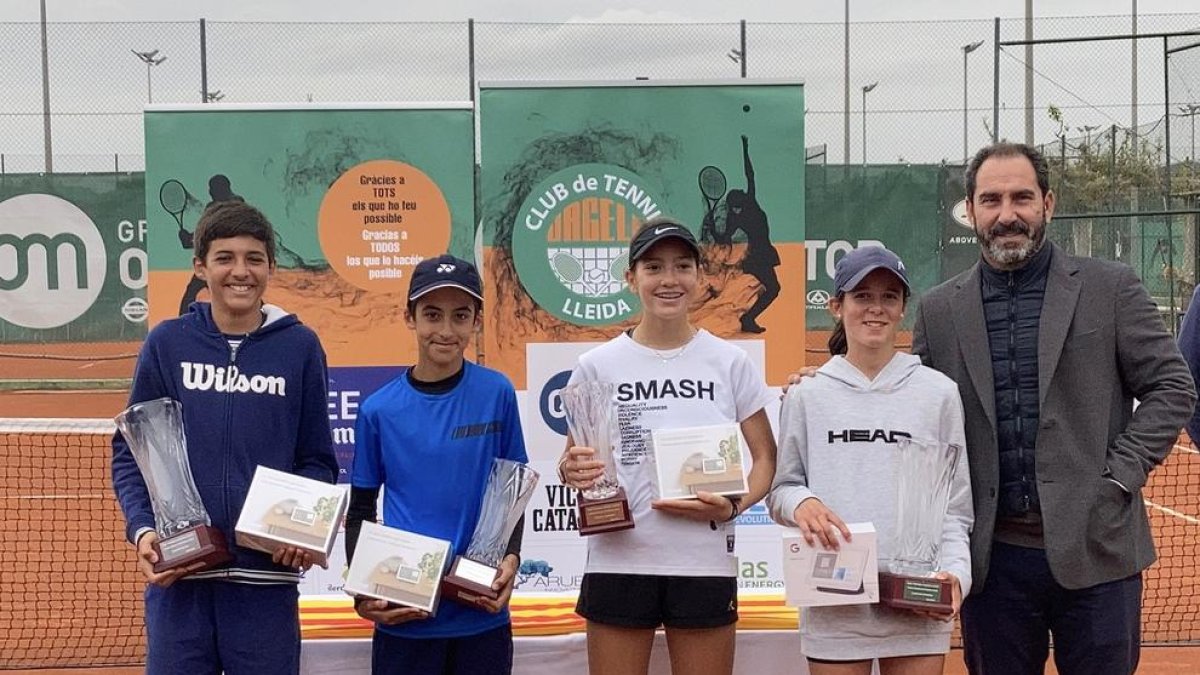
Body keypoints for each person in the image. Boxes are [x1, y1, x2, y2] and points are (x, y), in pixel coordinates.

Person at [911, 142, 1196, 675]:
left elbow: (1173, 387)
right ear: (970, 210)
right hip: (992, 563)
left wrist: (1120, 474)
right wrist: (831, 385)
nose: (1007, 214)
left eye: (1022, 197)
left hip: (1099, 550)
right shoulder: (939, 309)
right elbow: (914, 409)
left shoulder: (1111, 287)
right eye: (991, 200)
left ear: (1048, 203)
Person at [111, 200, 339, 674]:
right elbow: (132, 452)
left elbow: (317, 460)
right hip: (183, 581)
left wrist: (298, 532)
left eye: (254, 258)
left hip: (265, 588)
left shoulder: (300, 347)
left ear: (271, 267)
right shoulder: (167, 344)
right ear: (200, 267)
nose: (240, 271)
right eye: (225, 258)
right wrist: (144, 530)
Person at [557, 216, 778, 675]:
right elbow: (571, 460)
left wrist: (733, 506)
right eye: (654, 267)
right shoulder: (596, 365)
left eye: (682, 266)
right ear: (631, 277)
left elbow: (765, 458)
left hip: (703, 563)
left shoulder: (730, 362)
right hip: (618, 560)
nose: (669, 279)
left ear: (700, 275)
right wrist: (571, 471)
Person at [768, 245, 973, 675]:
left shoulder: (938, 393)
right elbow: (781, 489)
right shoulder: (807, 394)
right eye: (862, 296)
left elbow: (955, 507)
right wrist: (802, 502)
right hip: (833, 603)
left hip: (916, 605)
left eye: (888, 297)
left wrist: (956, 575)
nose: (875, 308)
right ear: (836, 307)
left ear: (902, 309)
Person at [346, 254, 528, 675]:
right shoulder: (378, 410)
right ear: (409, 317)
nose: (446, 330)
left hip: (479, 610)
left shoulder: (497, 392)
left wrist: (512, 557)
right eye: (432, 314)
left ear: (476, 321)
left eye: (460, 316)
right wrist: (363, 592)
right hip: (405, 617)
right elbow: (361, 510)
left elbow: (512, 491)